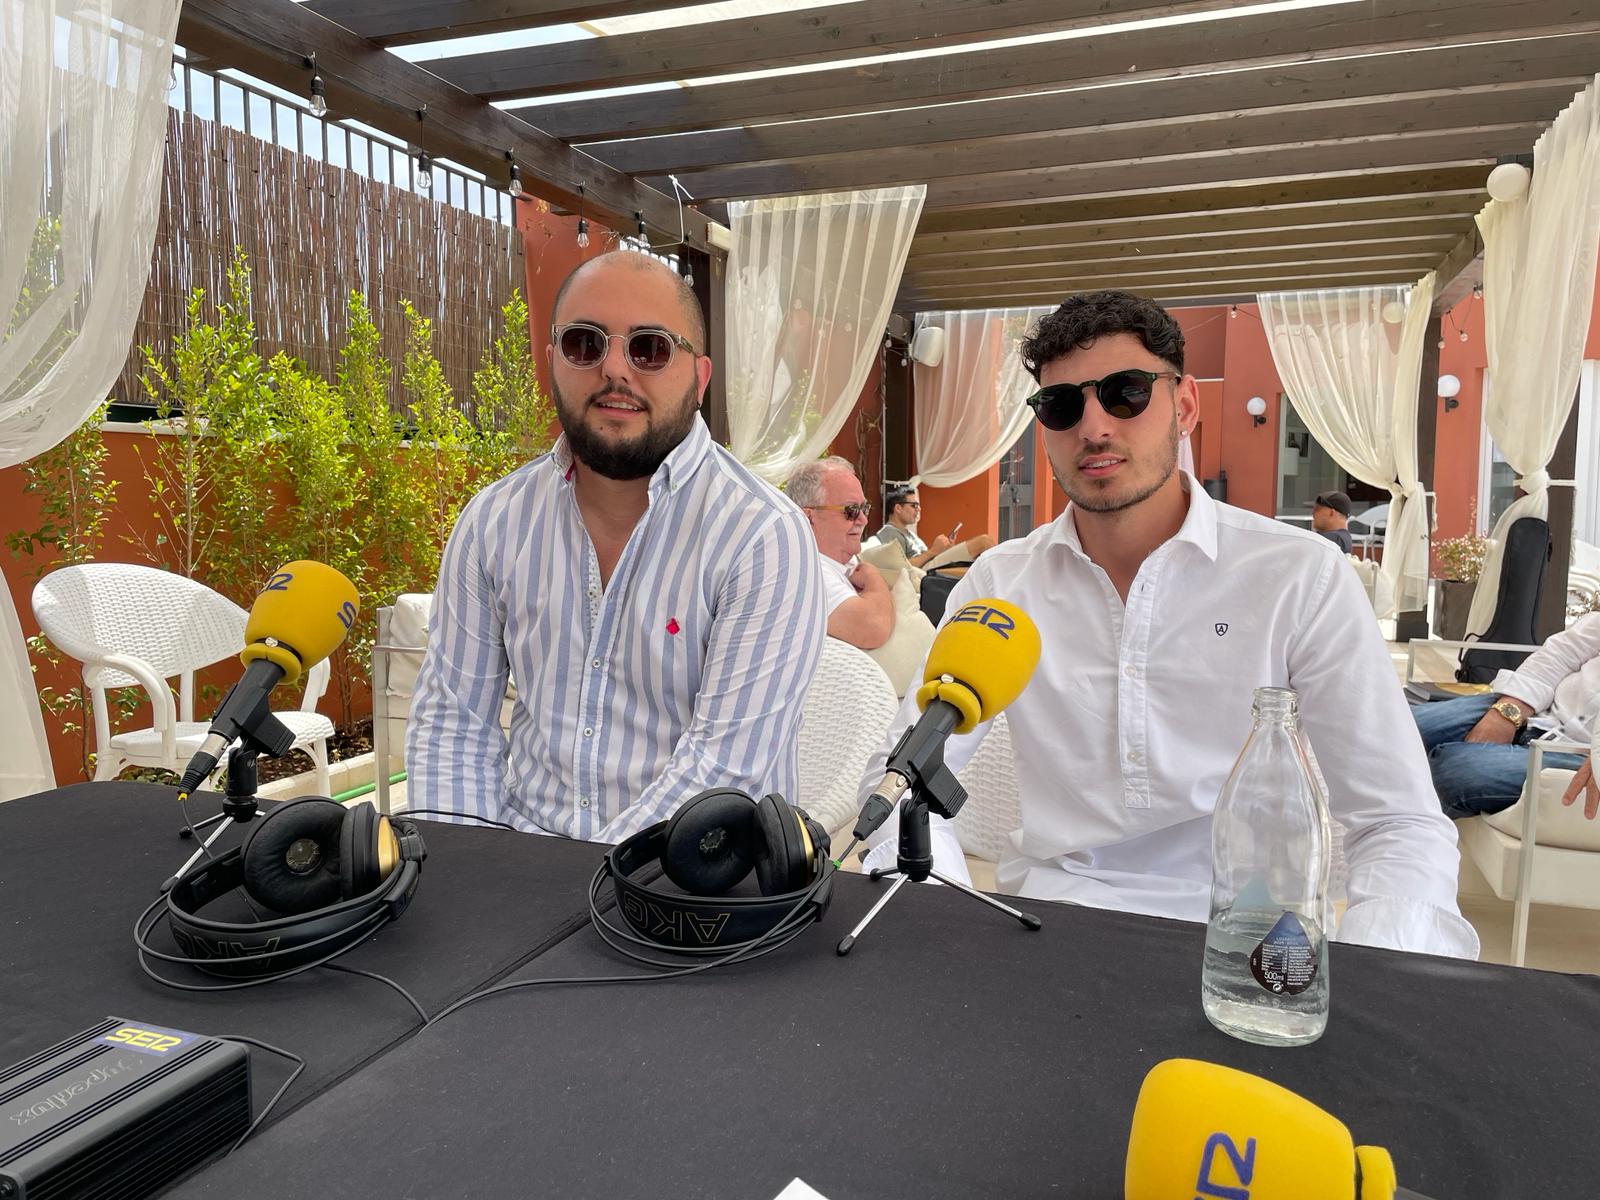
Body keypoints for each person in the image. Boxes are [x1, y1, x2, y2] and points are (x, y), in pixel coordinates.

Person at [858, 289, 1477, 958]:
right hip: (1048, 932)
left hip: (1248, 941)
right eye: (1062, 406)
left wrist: (1376, 972)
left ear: (1183, 406)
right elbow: (899, 782)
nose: (1094, 427)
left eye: (1125, 393)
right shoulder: (1001, 585)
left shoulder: (1297, 577)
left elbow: (1396, 820)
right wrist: (939, 916)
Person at [407, 250, 825, 839]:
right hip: (524, 871)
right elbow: (453, 724)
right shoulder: (493, 522)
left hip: (695, 891)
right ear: (551, 360)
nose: (615, 369)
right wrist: (467, 873)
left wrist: (586, 895)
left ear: (700, 378)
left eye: (649, 347)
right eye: (585, 342)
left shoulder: (761, 535)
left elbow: (724, 770)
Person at [1413, 612, 1600, 820]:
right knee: (1398, 730)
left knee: (1452, 772)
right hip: (1539, 709)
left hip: (1579, 753)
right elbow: (1560, 654)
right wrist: (1508, 712)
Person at [790, 457, 894, 651]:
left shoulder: (841, 561)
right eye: (851, 510)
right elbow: (872, 628)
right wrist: (874, 578)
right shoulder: (807, 571)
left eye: (864, 508)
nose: (863, 519)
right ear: (809, 517)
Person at [874, 483, 952, 568]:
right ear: (898, 508)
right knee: (968, 547)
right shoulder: (889, 533)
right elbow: (899, 567)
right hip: (921, 578)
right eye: (914, 505)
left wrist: (942, 549)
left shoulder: (909, 533)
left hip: (931, 574)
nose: (919, 509)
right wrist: (932, 551)